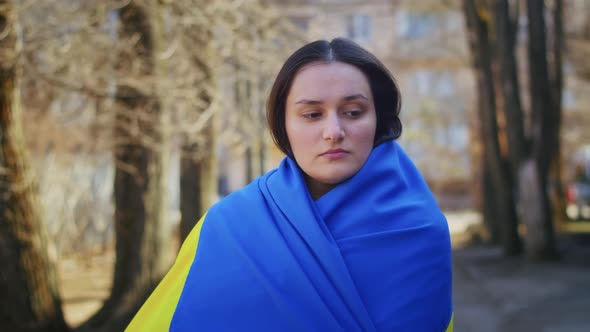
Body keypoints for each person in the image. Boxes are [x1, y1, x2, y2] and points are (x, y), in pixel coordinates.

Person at [126, 38, 453, 331]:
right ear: (283, 125)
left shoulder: (421, 231)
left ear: (379, 120)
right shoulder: (226, 226)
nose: (333, 131)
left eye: (353, 112)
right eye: (312, 114)